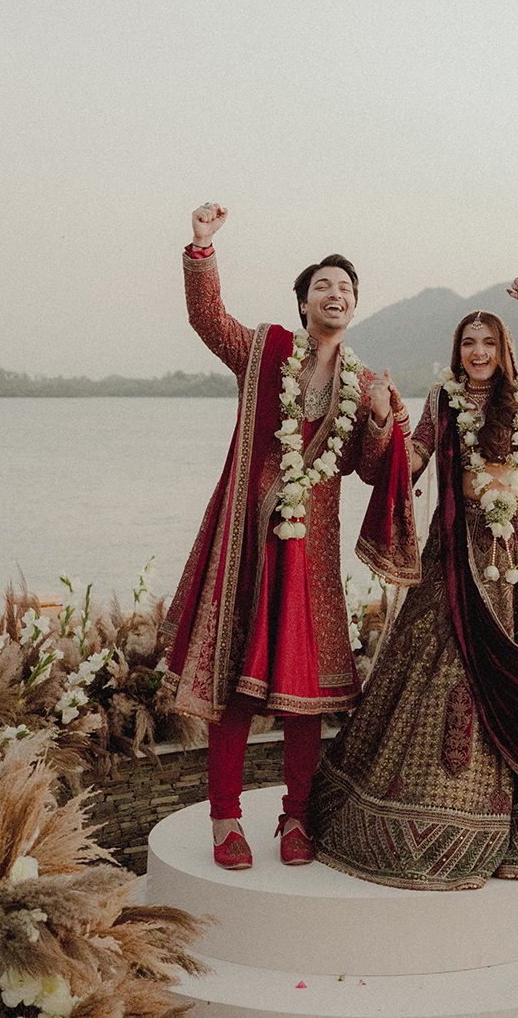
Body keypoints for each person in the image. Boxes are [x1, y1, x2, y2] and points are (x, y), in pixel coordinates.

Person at [310, 278, 518, 897]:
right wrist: (385, 420)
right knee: (442, 672)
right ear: (457, 351)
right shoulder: (442, 402)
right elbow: (413, 460)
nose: (477, 352)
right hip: (457, 557)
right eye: (468, 343)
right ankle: (446, 816)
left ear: (502, 350)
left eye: (488, 343)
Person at [163, 203, 420, 869]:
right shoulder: (264, 352)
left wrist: (382, 421)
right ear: (304, 302)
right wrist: (201, 249)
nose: (337, 293)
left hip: (313, 556)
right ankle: (225, 821)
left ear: (354, 305)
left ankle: (297, 818)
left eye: (347, 287)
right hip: (249, 546)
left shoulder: (363, 383)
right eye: (323, 285)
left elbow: (371, 470)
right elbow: (208, 319)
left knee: (308, 695)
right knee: (235, 685)